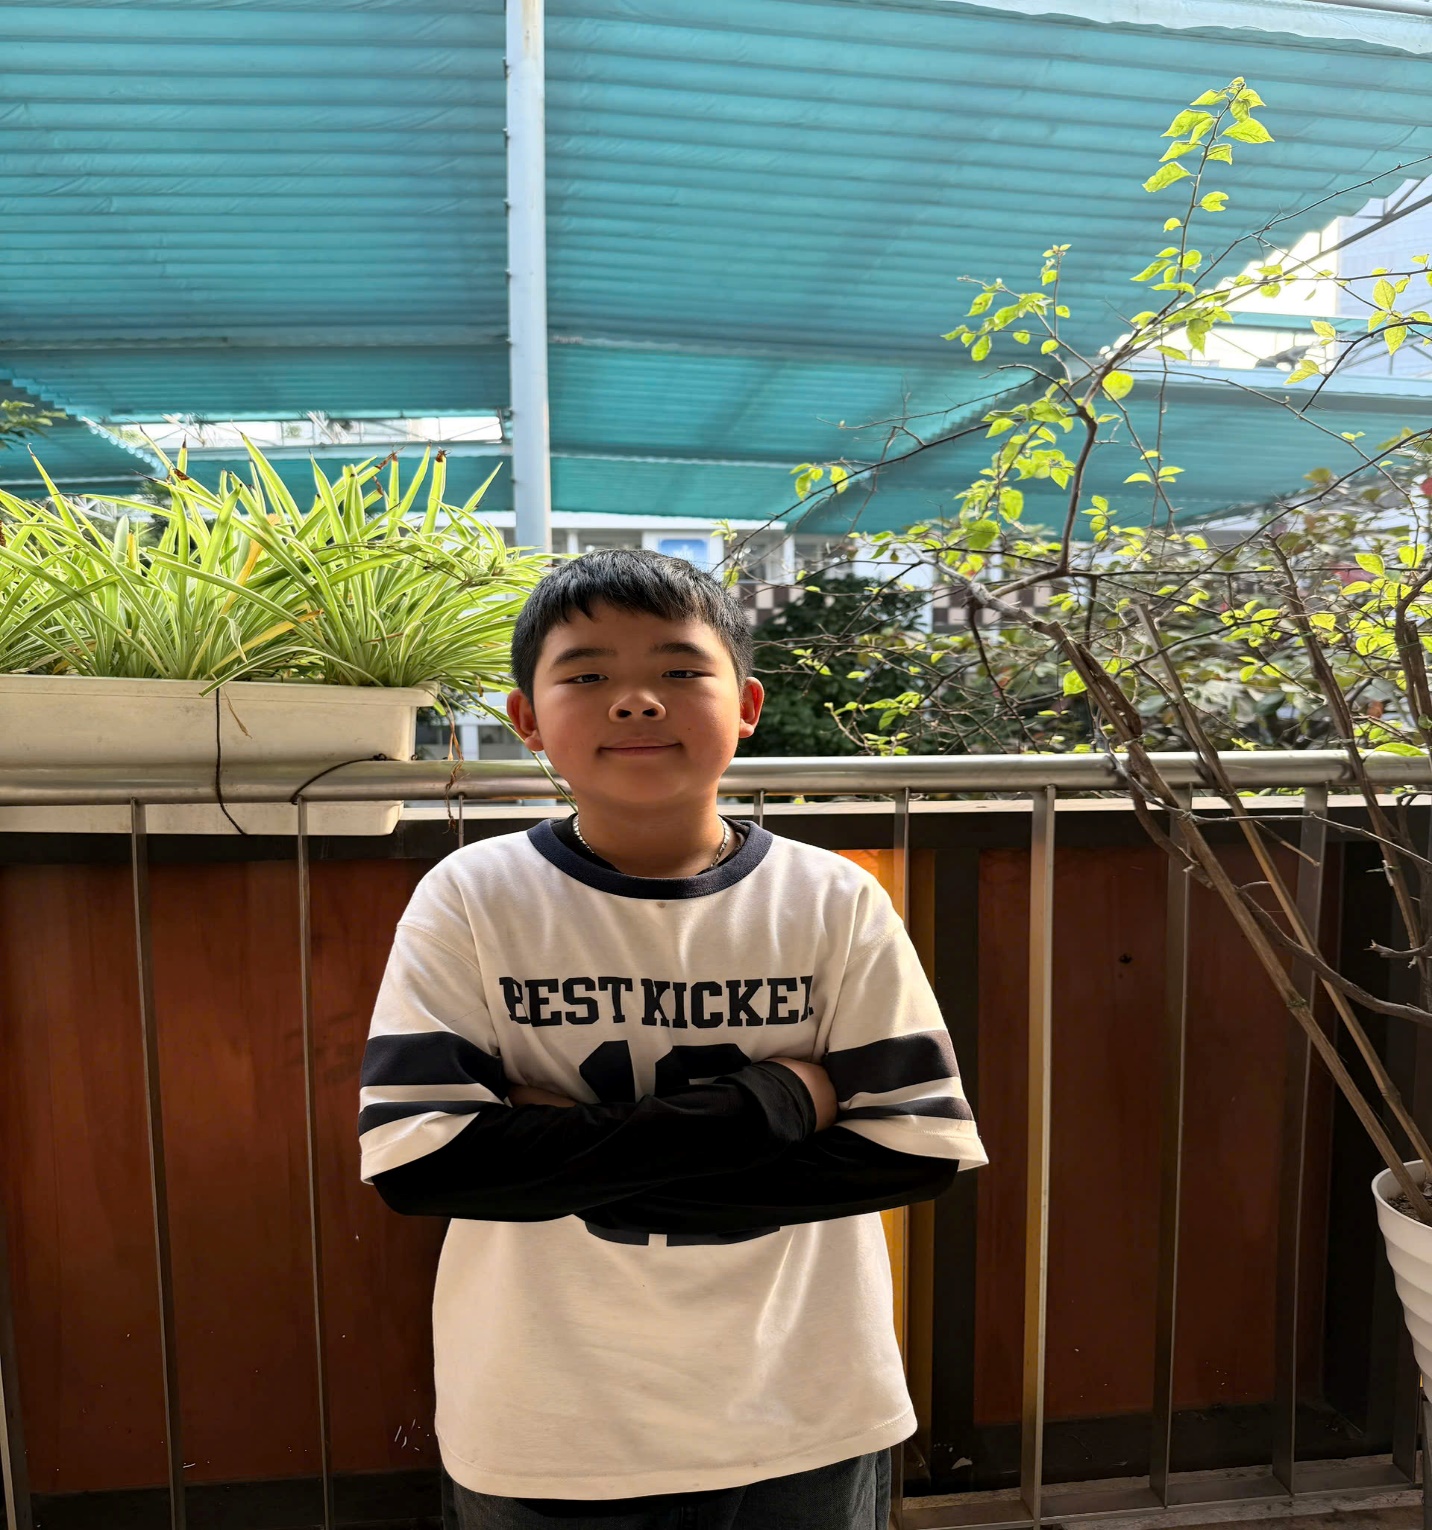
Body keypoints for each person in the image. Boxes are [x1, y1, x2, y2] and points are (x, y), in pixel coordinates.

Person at [358, 549, 988, 1530]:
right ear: (526, 719)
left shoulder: (833, 899)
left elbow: (911, 1153)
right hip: (544, 1420)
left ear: (747, 705)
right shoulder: (473, 896)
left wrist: (558, 1152)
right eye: (586, 675)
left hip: (805, 1407)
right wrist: (776, 1103)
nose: (636, 700)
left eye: (681, 669)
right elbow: (425, 1166)